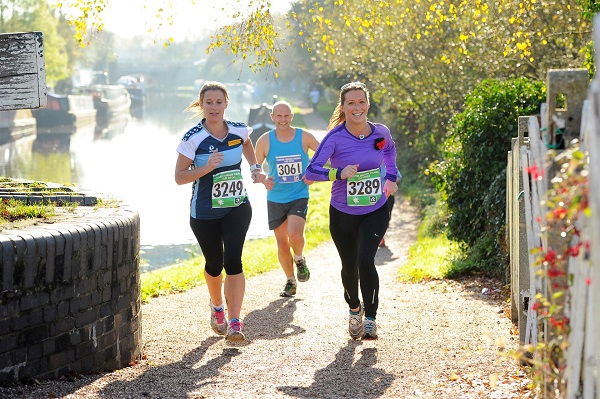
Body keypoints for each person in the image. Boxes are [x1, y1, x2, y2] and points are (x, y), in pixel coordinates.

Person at [304, 81, 398, 340]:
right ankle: (354, 309)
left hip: (375, 208)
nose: (357, 107)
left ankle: (370, 319)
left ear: (368, 104)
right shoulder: (335, 137)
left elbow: (389, 151)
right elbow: (310, 171)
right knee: (349, 267)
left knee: (366, 261)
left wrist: (392, 176)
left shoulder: (381, 132)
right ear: (343, 107)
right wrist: (337, 173)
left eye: (361, 102)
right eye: (351, 103)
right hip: (343, 213)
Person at [174, 81, 266, 342]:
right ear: (201, 105)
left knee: (233, 260)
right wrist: (205, 168)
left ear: (227, 103)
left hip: (237, 206)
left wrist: (255, 167)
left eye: (219, 102)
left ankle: (235, 321)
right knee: (214, 264)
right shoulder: (193, 138)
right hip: (204, 212)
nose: (214, 107)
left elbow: (247, 144)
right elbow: (179, 177)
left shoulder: (238, 129)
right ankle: (217, 307)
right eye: (209, 102)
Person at [254, 101, 320, 297]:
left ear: (292, 117)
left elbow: (324, 155)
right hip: (275, 197)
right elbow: (255, 169)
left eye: (286, 116)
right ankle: (290, 281)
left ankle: (299, 259)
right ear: (272, 117)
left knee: (295, 235)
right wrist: (263, 179)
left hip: (298, 194)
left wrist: (312, 173)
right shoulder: (265, 141)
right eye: (279, 116)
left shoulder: (304, 137)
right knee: (282, 243)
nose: (283, 120)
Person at [378, 168, 402, 248]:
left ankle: (381, 235)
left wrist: (392, 182)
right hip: (376, 196)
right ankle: (380, 238)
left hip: (389, 196)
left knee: (386, 217)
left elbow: (399, 177)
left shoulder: (389, 165)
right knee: (377, 217)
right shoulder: (373, 162)